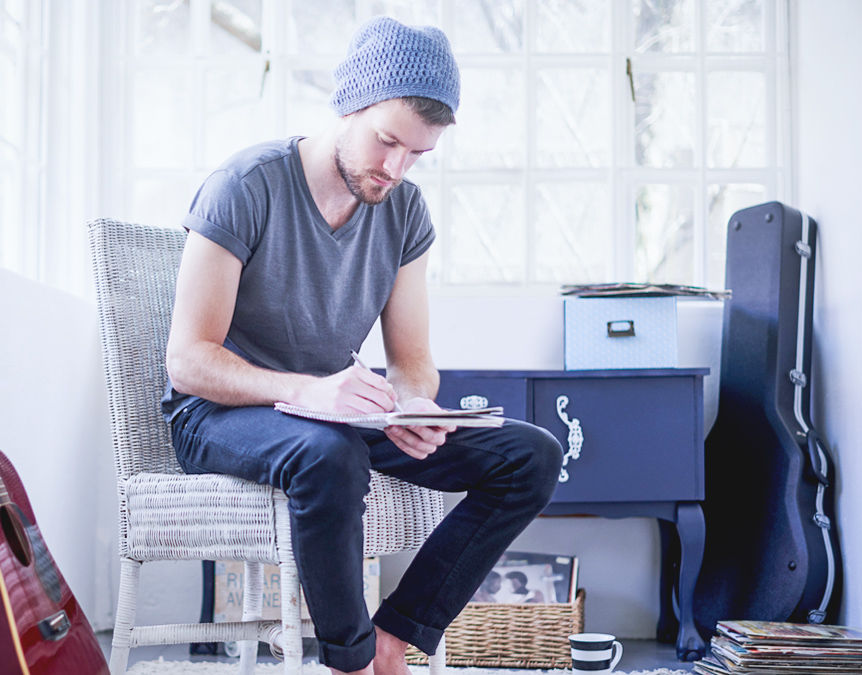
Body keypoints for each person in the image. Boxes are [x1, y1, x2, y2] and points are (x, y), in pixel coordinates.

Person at [163, 16, 563, 675]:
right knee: (330, 450)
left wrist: (410, 406)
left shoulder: (405, 212)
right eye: (387, 142)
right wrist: (307, 392)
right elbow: (189, 359)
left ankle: (395, 633)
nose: (396, 168)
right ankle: (350, 662)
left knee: (531, 455)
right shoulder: (245, 186)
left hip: (339, 408)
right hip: (219, 412)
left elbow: (411, 359)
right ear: (349, 103)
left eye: (418, 155)